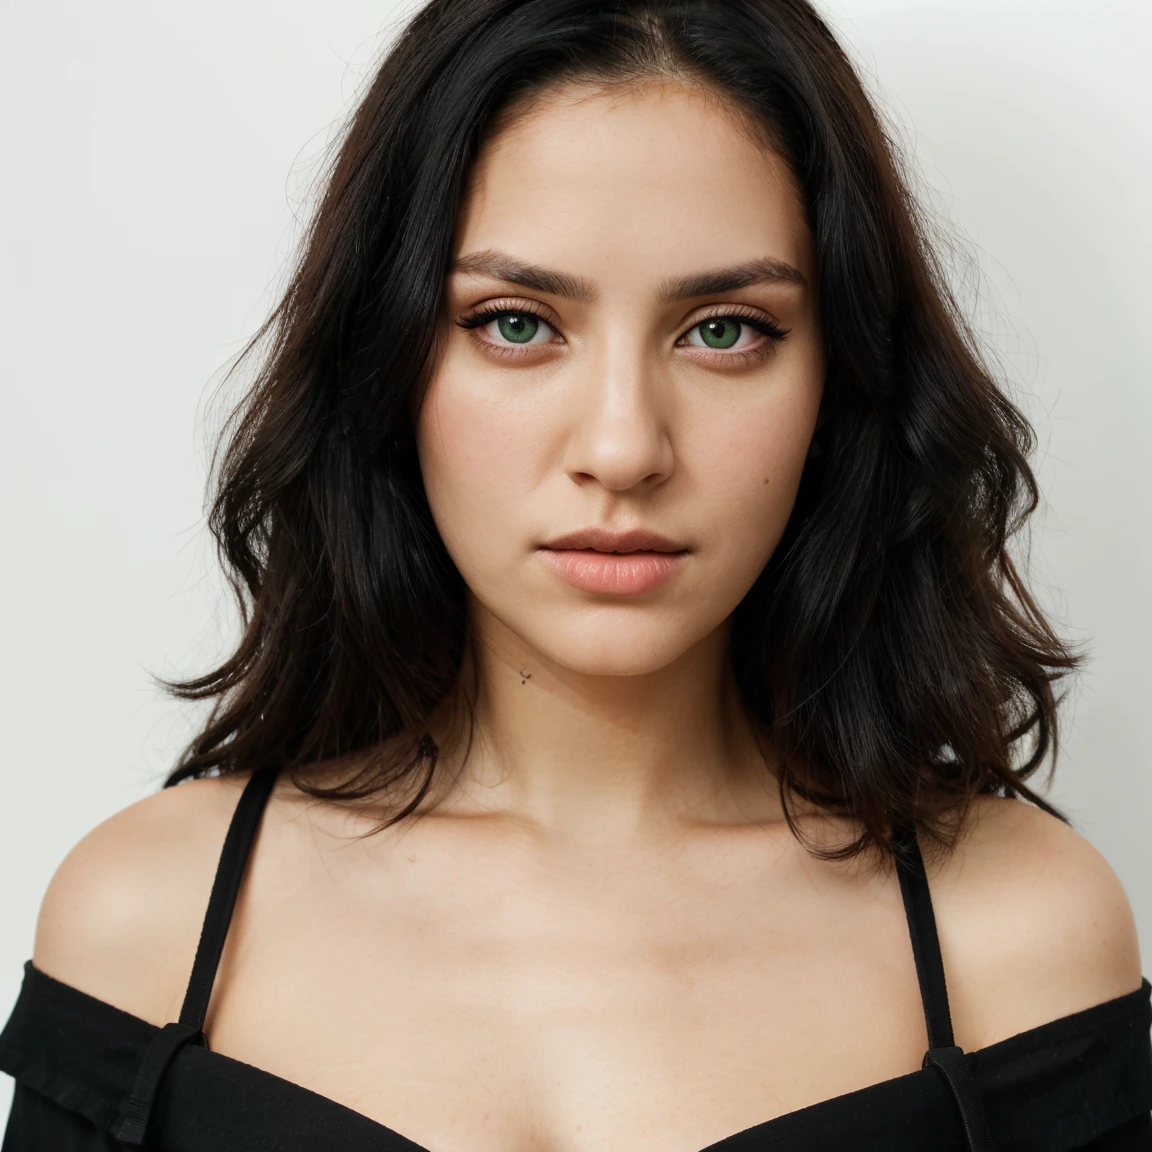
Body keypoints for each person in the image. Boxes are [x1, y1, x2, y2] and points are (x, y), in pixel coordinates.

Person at [2, 0, 1149, 1148]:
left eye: (724, 330)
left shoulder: (1017, 941)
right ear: (387, 359)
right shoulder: (148, 927)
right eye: (515, 323)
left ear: (840, 384)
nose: (622, 448)